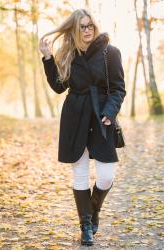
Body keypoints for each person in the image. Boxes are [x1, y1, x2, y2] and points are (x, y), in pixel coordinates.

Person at [39, 8, 126, 246]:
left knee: (106, 176)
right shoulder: (68, 54)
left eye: (90, 25)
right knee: (79, 173)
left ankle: (94, 210)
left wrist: (110, 112)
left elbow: (118, 88)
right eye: (82, 27)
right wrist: (48, 58)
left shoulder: (111, 53)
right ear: (74, 30)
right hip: (75, 116)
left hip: (101, 116)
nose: (87, 30)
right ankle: (85, 226)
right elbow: (59, 86)